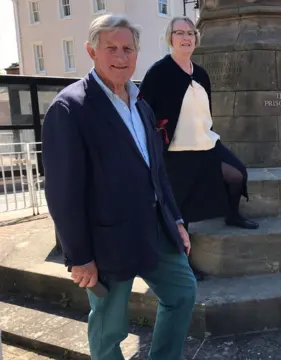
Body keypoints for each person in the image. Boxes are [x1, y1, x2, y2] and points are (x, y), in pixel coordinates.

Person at [42, 14, 196, 360]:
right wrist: (79, 256)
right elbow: (63, 192)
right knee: (109, 328)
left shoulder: (140, 102)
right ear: (91, 51)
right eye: (111, 47)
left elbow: (157, 171)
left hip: (155, 228)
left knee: (183, 293)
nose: (121, 56)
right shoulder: (70, 108)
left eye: (128, 48)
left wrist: (175, 220)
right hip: (106, 239)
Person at [139, 17, 258, 236]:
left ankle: (232, 214)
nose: (186, 38)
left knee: (237, 174)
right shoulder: (159, 72)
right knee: (181, 211)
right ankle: (186, 263)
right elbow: (142, 110)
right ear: (170, 38)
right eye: (180, 33)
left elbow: (205, 111)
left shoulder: (201, 73)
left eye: (191, 33)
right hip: (176, 150)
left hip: (207, 143)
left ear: (196, 38)